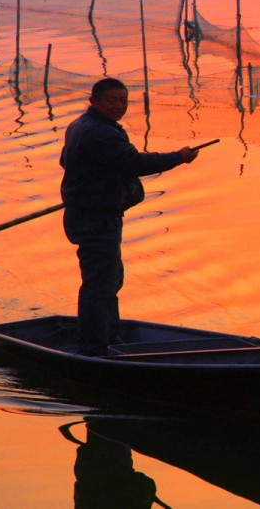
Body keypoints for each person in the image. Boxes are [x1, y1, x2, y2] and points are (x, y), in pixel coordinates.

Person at [60, 78, 198, 355]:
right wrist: (178, 157)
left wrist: (98, 175)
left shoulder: (82, 125)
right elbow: (135, 163)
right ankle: (94, 347)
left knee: (110, 279)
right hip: (94, 217)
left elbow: (67, 161)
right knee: (100, 283)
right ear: (94, 101)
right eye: (112, 100)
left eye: (124, 100)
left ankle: (109, 334)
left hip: (90, 213)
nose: (119, 106)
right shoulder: (100, 132)